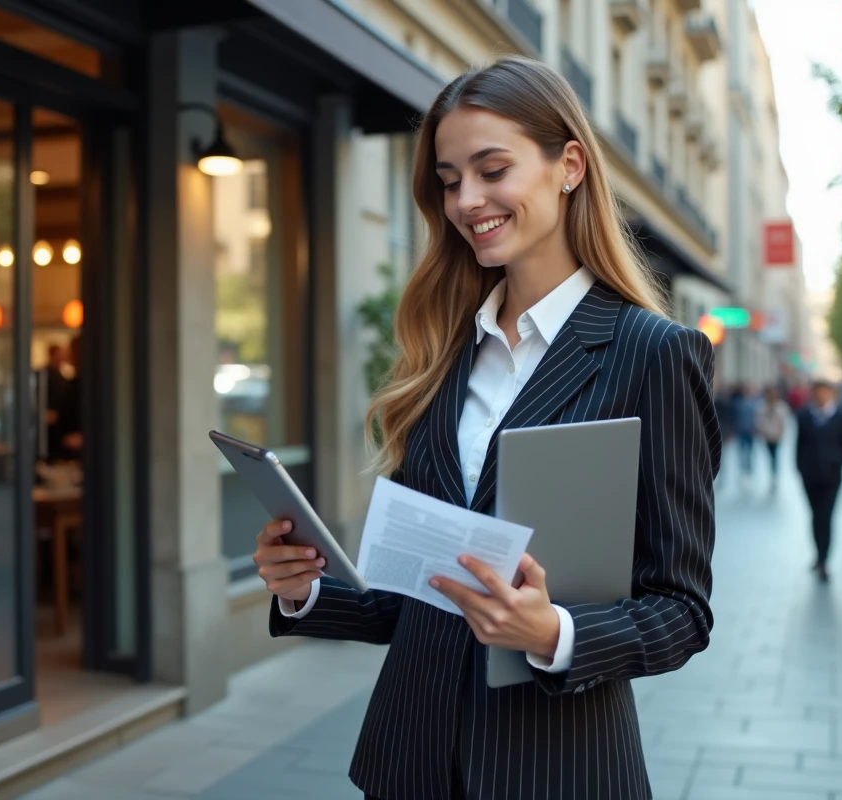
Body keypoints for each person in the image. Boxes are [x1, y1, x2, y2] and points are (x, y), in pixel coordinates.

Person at [251, 56, 721, 800]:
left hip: (555, 772)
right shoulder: (443, 348)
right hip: (409, 764)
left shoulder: (652, 355)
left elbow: (682, 611)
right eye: (447, 179)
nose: (467, 200)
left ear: (568, 165)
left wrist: (551, 633)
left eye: (491, 169)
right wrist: (304, 589)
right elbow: (419, 590)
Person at [795, 379, 842, 582]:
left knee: (826, 517)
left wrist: (837, 461)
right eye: (818, 392)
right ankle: (818, 554)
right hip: (810, 477)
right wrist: (801, 468)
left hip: (832, 477)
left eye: (825, 392)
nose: (821, 396)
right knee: (814, 516)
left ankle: (824, 560)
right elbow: (799, 444)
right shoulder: (804, 416)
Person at [755, 385, 789, 493]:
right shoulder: (762, 406)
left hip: (776, 436)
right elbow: (759, 421)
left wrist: (781, 433)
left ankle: (774, 475)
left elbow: (783, 422)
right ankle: (773, 472)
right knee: (770, 455)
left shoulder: (781, 407)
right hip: (767, 436)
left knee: (775, 455)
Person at [732, 384, 758, 480]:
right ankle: (743, 469)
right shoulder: (738, 403)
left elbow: (755, 418)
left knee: (750, 451)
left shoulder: (753, 404)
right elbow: (735, 417)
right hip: (741, 430)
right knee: (742, 451)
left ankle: (749, 469)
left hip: (750, 430)